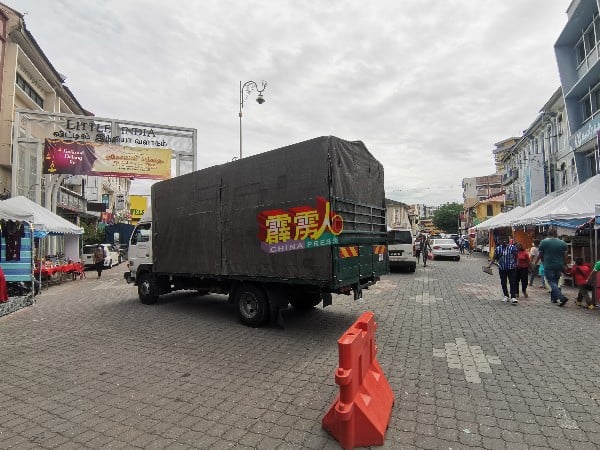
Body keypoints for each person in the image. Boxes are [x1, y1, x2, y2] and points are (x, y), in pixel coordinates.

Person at [534, 228, 568, 306]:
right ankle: (554, 299)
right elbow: (565, 256)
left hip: (548, 264)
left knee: (551, 281)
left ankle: (561, 297)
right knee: (555, 281)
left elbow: (540, 254)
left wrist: (539, 262)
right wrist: (565, 264)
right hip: (559, 265)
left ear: (548, 233)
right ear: (556, 233)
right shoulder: (562, 243)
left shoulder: (543, 242)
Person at [487, 235, 518, 304]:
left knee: (512, 282)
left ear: (508, 240)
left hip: (511, 268)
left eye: (505, 240)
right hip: (502, 268)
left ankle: (513, 297)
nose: (504, 241)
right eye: (502, 240)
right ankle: (506, 296)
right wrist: (489, 265)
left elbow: (516, 256)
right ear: (499, 241)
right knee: (503, 282)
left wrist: (516, 264)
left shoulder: (512, 247)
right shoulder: (498, 249)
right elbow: (494, 258)